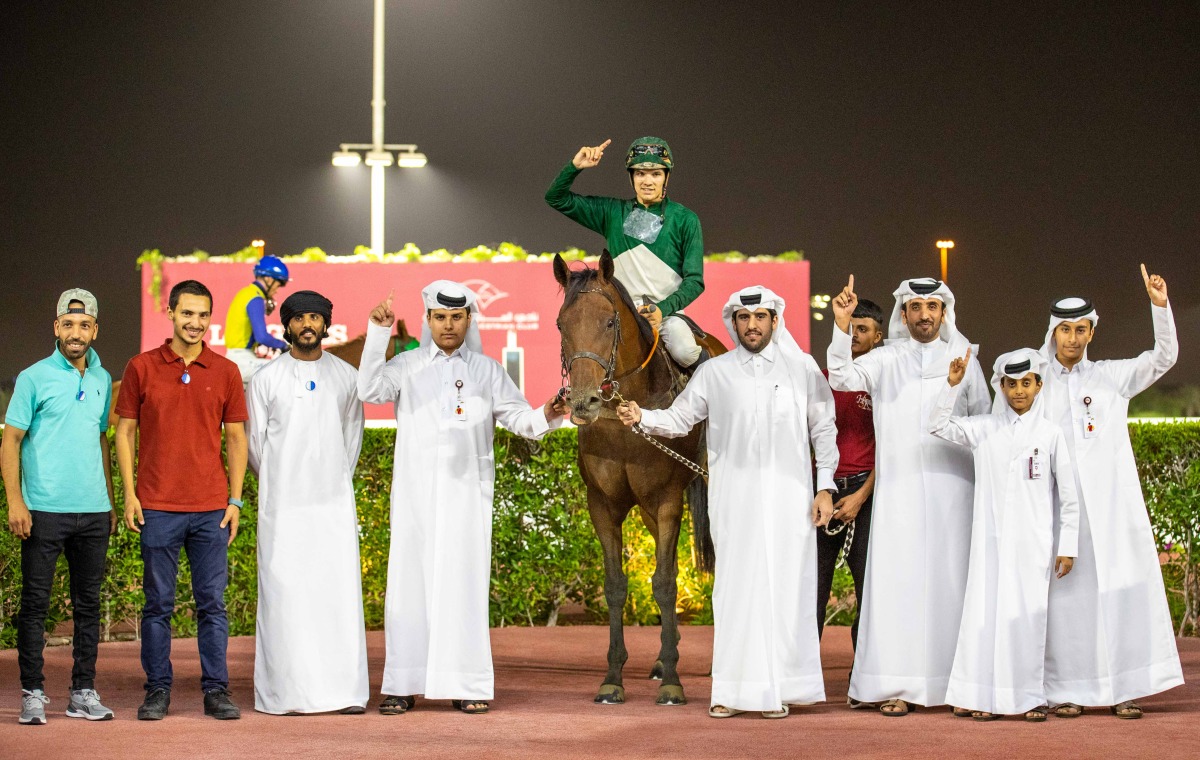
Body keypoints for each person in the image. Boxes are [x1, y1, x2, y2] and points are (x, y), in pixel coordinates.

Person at [617, 285, 838, 719]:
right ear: (733, 323)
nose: (752, 325)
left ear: (775, 320)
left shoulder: (802, 368)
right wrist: (643, 416)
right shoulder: (714, 373)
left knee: (786, 591)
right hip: (733, 503)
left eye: (760, 317)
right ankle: (734, 691)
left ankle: (782, 688)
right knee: (735, 591)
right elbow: (680, 419)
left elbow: (824, 430)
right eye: (744, 318)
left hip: (791, 502)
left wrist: (825, 487)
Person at [358, 280, 569, 715]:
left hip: (468, 501)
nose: (448, 325)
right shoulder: (406, 365)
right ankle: (402, 685)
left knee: (463, 589)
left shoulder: (487, 371)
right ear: (428, 320)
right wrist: (378, 335)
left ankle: (466, 683)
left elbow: (519, 419)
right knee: (409, 588)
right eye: (440, 317)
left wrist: (548, 413)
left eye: (457, 317)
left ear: (469, 319)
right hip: (415, 500)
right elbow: (370, 391)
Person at [827, 275, 990, 716]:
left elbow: (984, 422)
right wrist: (841, 324)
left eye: (932, 307)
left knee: (951, 584)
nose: (924, 315)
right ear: (904, 314)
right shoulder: (886, 359)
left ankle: (960, 686)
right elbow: (841, 376)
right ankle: (896, 685)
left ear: (943, 313)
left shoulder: (965, 358)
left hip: (953, 492)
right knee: (898, 587)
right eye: (915, 307)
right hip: (898, 495)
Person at [1039, 265, 1183, 719]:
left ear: (1092, 332)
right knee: (1065, 603)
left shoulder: (1112, 376)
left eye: (1081, 329)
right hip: (1058, 510)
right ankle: (1066, 690)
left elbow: (1164, 358)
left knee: (1118, 594)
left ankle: (1125, 688)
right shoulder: (1034, 381)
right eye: (1066, 330)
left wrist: (1160, 307)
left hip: (1113, 510)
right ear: (1053, 332)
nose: (1073, 338)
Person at [114, 279, 248, 721]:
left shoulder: (226, 371)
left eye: (203, 315)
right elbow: (124, 433)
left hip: (212, 510)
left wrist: (235, 501)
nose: (195, 322)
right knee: (158, 606)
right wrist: (130, 495)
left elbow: (236, 439)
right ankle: (157, 690)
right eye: (187, 313)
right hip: (156, 507)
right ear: (170, 313)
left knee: (213, 605)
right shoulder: (141, 367)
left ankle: (216, 691)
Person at [930, 347, 1079, 722]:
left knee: (1027, 620)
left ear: (1038, 385)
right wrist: (951, 386)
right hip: (989, 544)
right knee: (984, 618)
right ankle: (980, 696)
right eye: (1011, 384)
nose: (1018, 391)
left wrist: (1068, 546)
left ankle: (1029, 698)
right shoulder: (984, 428)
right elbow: (937, 425)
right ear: (1001, 387)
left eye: (1026, 383)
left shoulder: (1050, 434)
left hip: (1033, 545)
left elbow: (1069, 497)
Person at [247, 290, 368, 715]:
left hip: (333, 508)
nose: (308, 325)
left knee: (336, 595)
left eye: (315, 318)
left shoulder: (347, 377)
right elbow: (256, 447)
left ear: (325, 324)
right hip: (282, 509)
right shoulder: (266, 379)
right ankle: (284, 695)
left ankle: (344, 693)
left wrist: (329, 480)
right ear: (287, 325)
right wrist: (281, 482)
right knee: (285, 599)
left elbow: (351, 440)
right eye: (299, 319)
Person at [3, 290, 116, 725]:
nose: (75, 332)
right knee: (35, 604)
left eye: (84, 325)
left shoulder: (103, 379)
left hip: (93, 511)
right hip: (44, 511)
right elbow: (11, 440)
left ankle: (82, 693)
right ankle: (32, 693)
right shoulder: (33, 377)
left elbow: (100, 440)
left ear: (94, 330)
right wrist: (16, 501)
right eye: (68, 324)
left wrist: (109, 502)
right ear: (56, 327)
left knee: (88, 606)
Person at [545, 136, 706, 368]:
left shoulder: (686, 220)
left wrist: (662, 310)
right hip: (620, 316)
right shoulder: (612, 212)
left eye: (656, 174)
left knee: (685, 352)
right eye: (640, 174)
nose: (647, 181)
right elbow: (555, 198)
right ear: (632, 178)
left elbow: (695, 281)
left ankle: (708, 382)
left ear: (666, 177)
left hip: (667, 315)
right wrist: (575, 167)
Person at [816, 298, 883, 659]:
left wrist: (860, 497)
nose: (855, 335)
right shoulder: (823, 378)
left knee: (868, 589)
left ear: (878, 336)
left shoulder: (884, 382)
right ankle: (803, 673)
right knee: (813, 587)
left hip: (865, 492)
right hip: (823, 493)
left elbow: (891, 448)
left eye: (863, 329)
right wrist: (822, 489)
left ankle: (865, 674)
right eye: (850, 328)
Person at [224, 256, 290, 386]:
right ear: (269, 279)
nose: (276, 290)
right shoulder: (256, 298)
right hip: (242, 360)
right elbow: (262, 336)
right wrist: (284, 346)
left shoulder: (246, 293)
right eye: (278, 285)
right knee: (285, 373)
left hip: (236, 358)